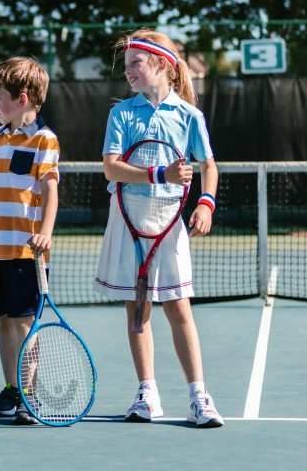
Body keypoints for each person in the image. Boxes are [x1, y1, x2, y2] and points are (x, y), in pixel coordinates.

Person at [95, 29, 224, 427]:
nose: (129, 70)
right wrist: (159, 173)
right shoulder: (122, 113)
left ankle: (199, 397)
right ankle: (147, 392)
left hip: (169, 222)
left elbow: (208, 165)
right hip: (128, 218)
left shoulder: (189, 116)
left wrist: (206, 202)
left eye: (136, 62)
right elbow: (111, 166)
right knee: (138, 311)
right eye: (127, 63)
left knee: (179, 308)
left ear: (162, 65)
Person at [0, 57, 60, 425]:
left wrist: (45, 232)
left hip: (25, 250)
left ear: (21, 99)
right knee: (4, 319)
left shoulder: (44, 139)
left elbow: (50, 189)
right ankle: (12, 388)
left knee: (24, 323)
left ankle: (29, 395)